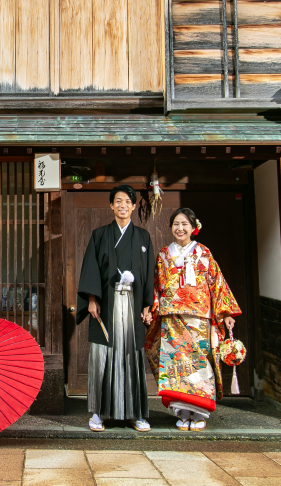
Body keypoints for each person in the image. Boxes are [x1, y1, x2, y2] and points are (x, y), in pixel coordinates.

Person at [145, 208, 241, 432]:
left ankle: (199, 413)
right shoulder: (163, 254)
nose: (180, 228)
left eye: (184, 224)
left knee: (198, 366)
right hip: (171, 319)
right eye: (176, 224)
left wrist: (225, 313)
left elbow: (217, 284)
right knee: (176, 366)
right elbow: (156, 286)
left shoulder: (204, 253)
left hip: (199, 320)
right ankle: (182, 412)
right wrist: (151, 308)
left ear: (193, 227)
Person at [76, 184, 155, 433]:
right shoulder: (100, 235)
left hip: (132, 305)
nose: (122, 205)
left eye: (127, 202)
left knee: (131, 355)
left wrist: (146, 304)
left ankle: (136, 413)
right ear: (111, 206)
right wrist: (91, 299)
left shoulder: (143, 237)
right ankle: (99, 413)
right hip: (107, 304)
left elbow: (148, 273)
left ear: (133, 206)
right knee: (103, 355)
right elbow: (91, 268)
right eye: (117, 201)